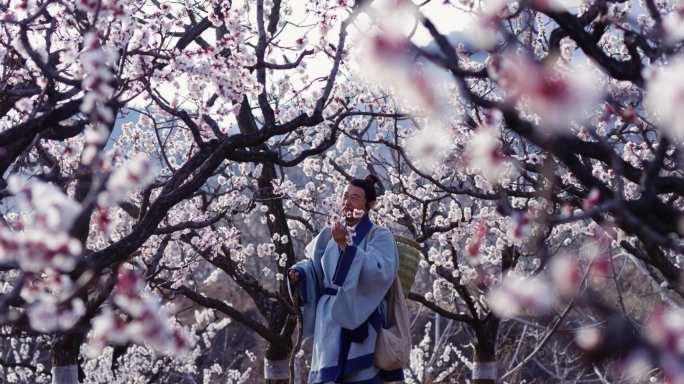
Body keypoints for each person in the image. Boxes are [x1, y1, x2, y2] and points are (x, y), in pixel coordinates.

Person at [288, 175, 404, 384]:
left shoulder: (380, 235)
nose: (347, 203)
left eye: (355, 198)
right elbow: (315, 267)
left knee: (359, 376)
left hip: (361, 315)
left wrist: (346, 247)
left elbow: (380, 272)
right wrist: (301, 273)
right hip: (329, 319)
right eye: (345, 196)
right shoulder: (329, 233)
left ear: (369, 205)